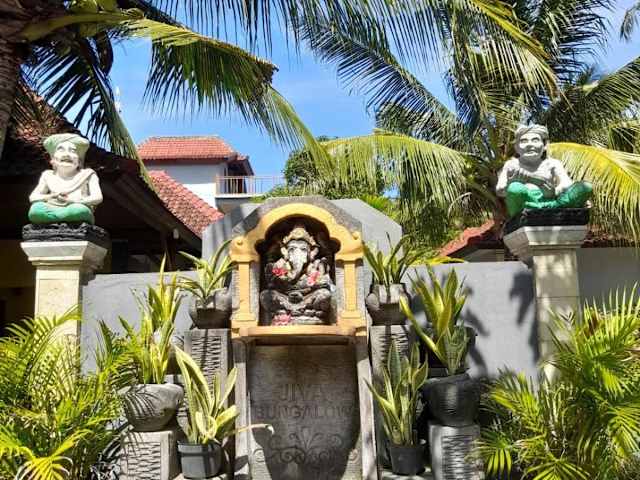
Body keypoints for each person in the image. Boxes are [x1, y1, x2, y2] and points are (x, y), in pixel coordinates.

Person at [496, 124, 592, 217]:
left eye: (535, 140)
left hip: (551, 200)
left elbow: (566, 184)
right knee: (515, 188)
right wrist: (510, 184)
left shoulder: (553, 163)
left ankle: (545, 208)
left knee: (585, 187)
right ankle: (543, 208)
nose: (529, 144)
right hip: (525, 202)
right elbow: (500, 190)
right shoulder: (511, 165)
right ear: (516, 147)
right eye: (524, 141)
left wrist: (554, 192)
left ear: (545, 145)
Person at [28, 133, 103, 224]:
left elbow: (98, 197)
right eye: (61, 150)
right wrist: (52, 196)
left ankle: (54, 219)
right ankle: (61, 218)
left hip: (76, 207)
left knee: (79, 210)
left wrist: (73, 201)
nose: (67, 154)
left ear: (79, 161)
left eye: (72, 151)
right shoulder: (47, 175)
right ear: (53, 160)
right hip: (52, 206)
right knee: (35, 209)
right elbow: (33, 197)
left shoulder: (88, 174)